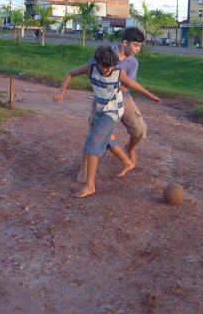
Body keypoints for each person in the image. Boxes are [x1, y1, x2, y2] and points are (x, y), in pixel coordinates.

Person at [54, 45, 161, 198]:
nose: (107, 70)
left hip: (113, 111)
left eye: (110, 67)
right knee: (106, 138)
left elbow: (132, 84)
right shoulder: (90, 69)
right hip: (100, 111)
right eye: (104, 67)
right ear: (97, 62)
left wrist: (150, 95)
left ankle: (90, 186)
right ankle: (127, 162)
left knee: (93, 142)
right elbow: (70, 73)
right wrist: (61, 92)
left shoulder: (118, 72)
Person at [87, 27, 148, 168]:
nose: (138, 49)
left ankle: (130, 148)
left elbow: (126, 87)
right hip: (102, 99)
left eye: (139, 46)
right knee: (94, 134)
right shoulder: (106, 53)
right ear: (125, 43)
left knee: (139, 131)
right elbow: (91, 68)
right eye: (136, 45)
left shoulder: (133, 63)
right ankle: (84, 169)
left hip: (123, 97)